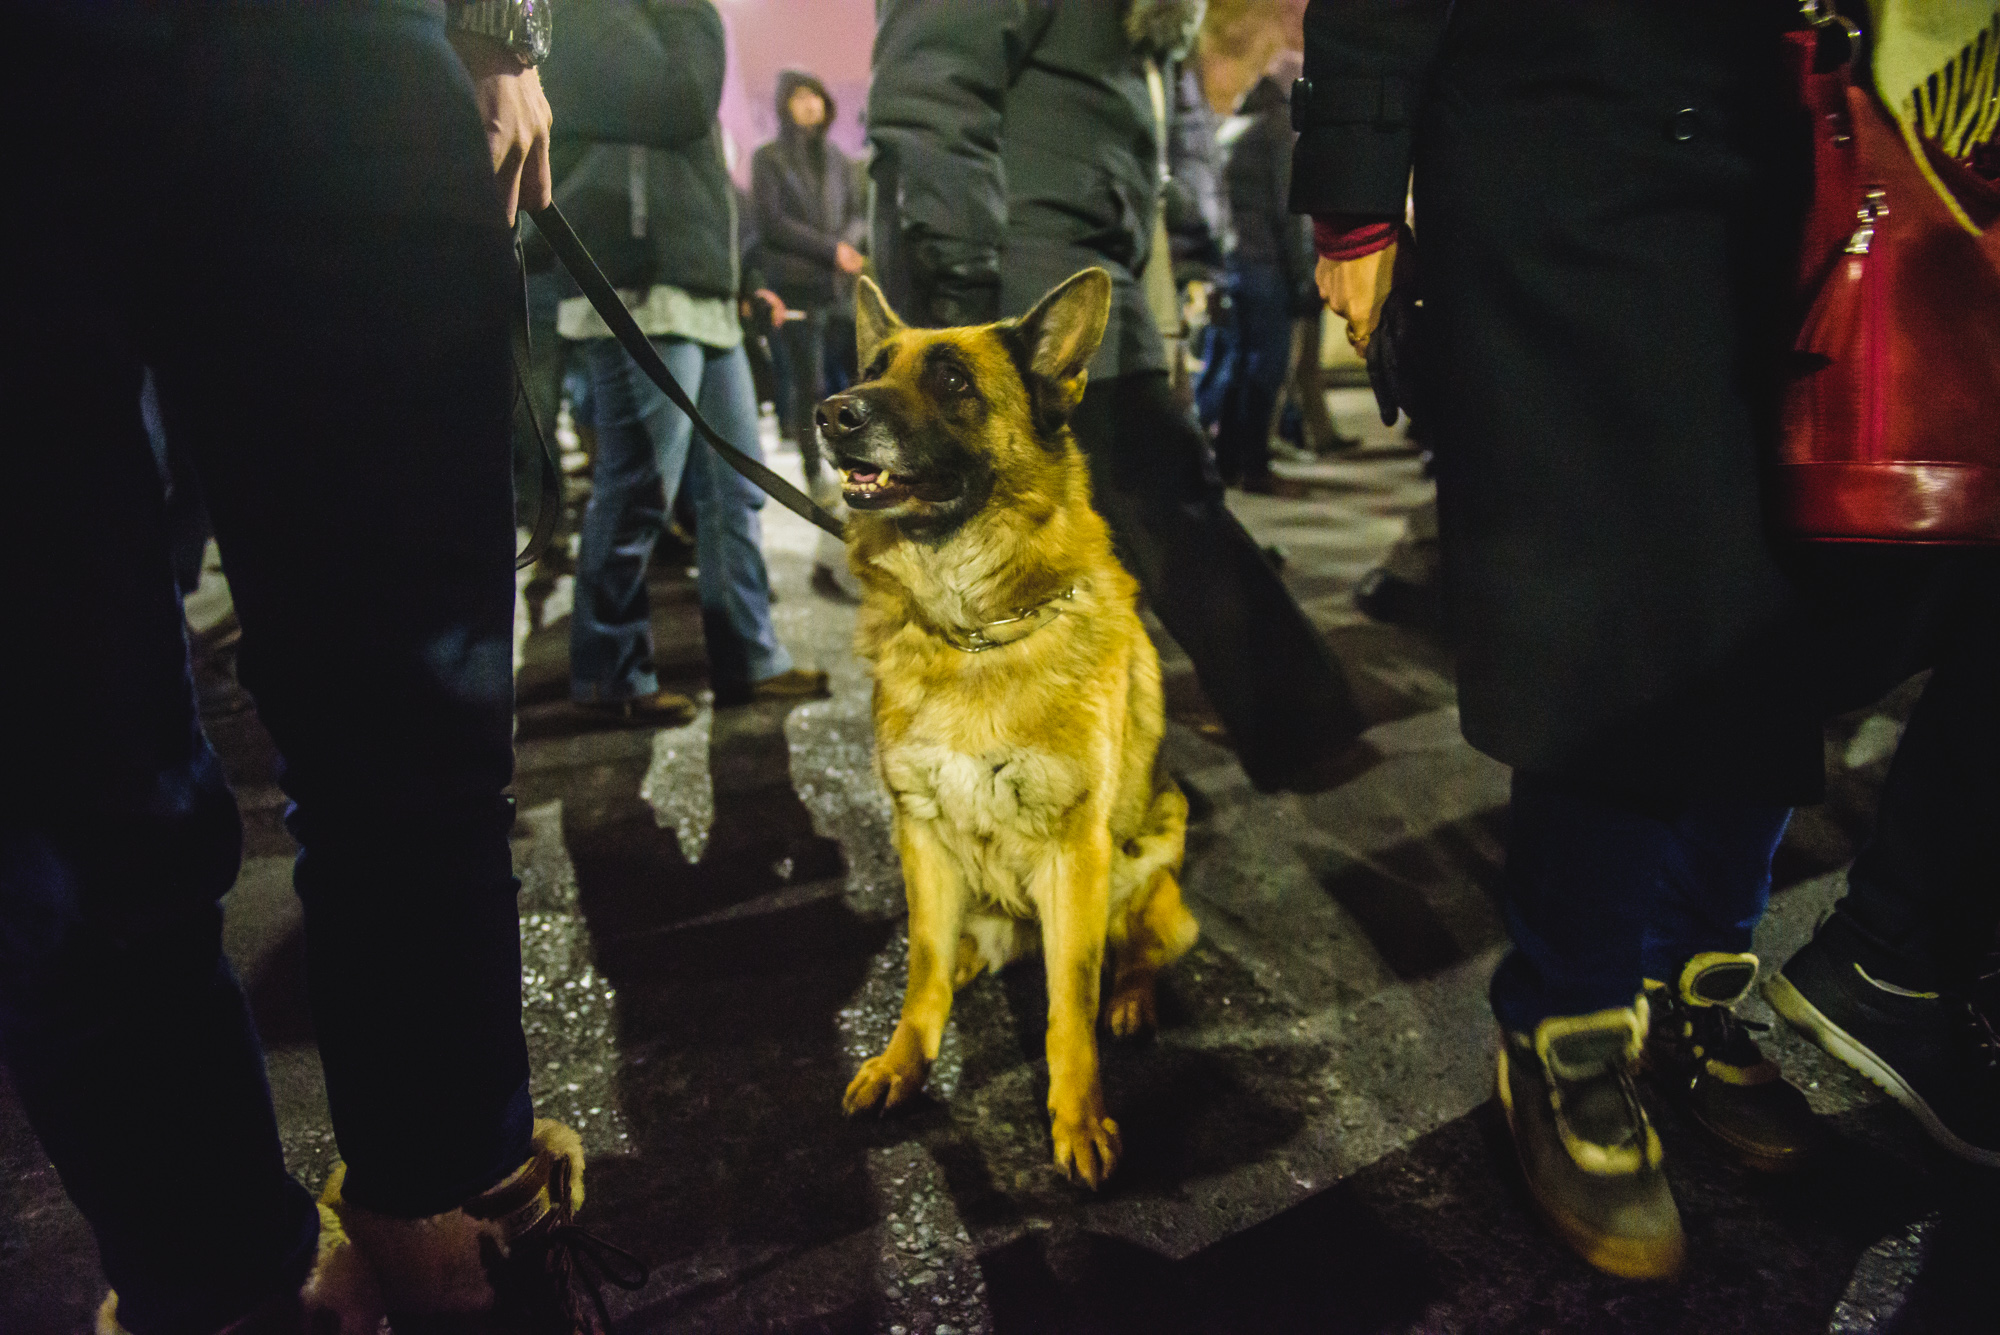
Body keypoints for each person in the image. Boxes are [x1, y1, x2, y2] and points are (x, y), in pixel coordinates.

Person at [1297, 0, 1999, 1279]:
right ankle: (1565, 1026)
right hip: (1571, 166)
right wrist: (1352, 197)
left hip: (1799, 154)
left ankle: (1694, 984)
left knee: (1772, 630)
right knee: (1619, 619)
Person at [5, 0, 631, 1328]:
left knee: (419, 705)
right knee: (57, 780)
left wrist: (501, 23)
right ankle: (223, 1284)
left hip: (328, 41)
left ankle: (459, 1215)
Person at [869, 0, 1365, 793]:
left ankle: (1136, 755)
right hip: (1018, 287)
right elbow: (931, 95)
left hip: (1076, 268)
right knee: (1145, 507)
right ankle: (1287, 722)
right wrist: (960, 289)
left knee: (1124, 519)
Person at [542, 0, 828, 723]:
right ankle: (610, 672)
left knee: (737, 490)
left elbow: (695, 147)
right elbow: (684, 96)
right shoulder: (588, 15)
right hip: (640, 282)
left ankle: (749, 658)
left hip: (700, 282)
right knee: (639, 489)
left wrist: (740, 277)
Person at [751, 71, 869, 488]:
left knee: (860, 382)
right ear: (785, 104)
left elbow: (857, 212)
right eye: (800, 97)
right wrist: (830, 249)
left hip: (841, 288)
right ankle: (813, 470)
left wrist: (848, 245)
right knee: (809, 385)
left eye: (815, 95)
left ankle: (859, 463)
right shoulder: (768, 158)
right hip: (797, 287)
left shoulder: (840, 159)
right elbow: (772, 222)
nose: (810, 104)